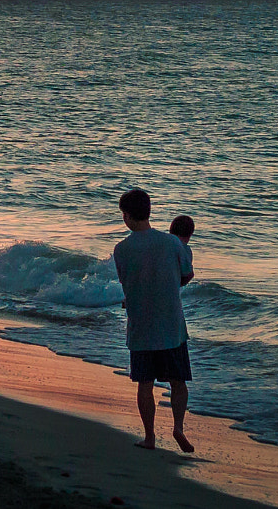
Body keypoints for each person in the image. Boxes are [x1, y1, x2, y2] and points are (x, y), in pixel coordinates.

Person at [113, 188, 195, 453]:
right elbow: (186, 274)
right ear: (149, 211)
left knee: (145, 385)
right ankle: (178, 427)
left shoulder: (122, 249)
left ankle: (149, 437)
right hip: (171, 324)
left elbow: (127, 283)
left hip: (141, 326)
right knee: (178, 382)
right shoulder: (172, 243)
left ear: (126, 216)